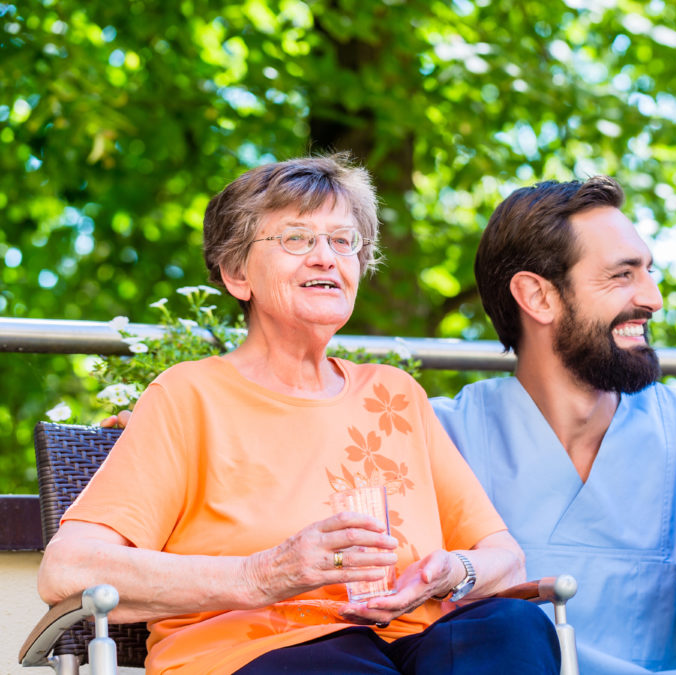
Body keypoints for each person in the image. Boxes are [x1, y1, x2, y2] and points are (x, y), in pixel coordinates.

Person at [37, 155, 559, 675]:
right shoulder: (188, 397)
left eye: (342, 241)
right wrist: (263, 575)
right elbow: (68, 569)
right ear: (238, 273)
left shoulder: (395, 395)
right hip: (257, 651)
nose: (325, 258)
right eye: (296, 239)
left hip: (413, 642)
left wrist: (452, 571)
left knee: (511, 627)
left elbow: (504, 557)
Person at [431, 176, 676, 674]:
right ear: (537, 297)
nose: (654, 298)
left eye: (649, 271)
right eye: (622, 276)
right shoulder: (442, 438)